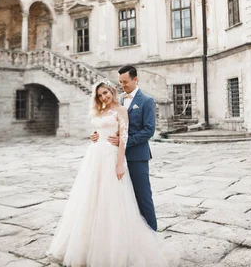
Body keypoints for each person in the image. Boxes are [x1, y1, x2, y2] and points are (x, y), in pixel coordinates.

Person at [48, 79, 172, 267]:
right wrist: (93, 135)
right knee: (91, 198)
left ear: (112, 91)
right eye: (100, 95)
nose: (104, 96)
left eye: (106, 93)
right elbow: (98, 130)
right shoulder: (100, 110)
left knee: (112, 199)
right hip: (94, 157)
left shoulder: (121, 110)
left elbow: (123, 139)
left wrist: (120, 164)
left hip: (111, 157)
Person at [90, 65, 157, 231]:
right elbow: (109, 124)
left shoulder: (146, 101)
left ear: (135, 79)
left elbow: (149, 130)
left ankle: (151, 234)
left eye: (125, 82)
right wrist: (98, 135)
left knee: (143, 196)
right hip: (111, 156)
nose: (122, 86)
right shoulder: (117, 101)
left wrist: (124, 141)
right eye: (120, 82)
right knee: (122, 198)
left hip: (136, 155)